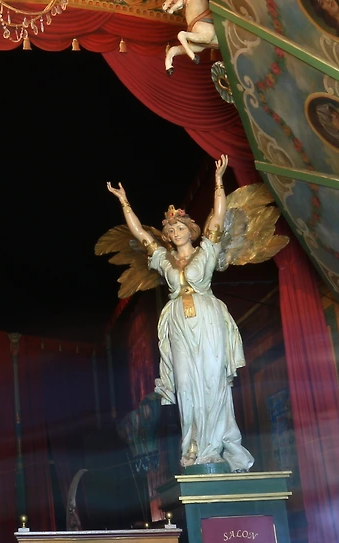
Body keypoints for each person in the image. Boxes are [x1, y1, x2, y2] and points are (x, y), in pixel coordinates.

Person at [106, 155, 254, 472]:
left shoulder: (208, 249)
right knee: (186, 383)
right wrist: (124, 202)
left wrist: (218, 181)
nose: (174, 231)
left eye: (179, 226)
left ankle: (217, 445)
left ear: (191, 229)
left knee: (213, 381)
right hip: (178, 322)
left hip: (208, 317)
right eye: (170, 229)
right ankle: (193, 447)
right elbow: (140, 234)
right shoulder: (164, 260)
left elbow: (218, 215)